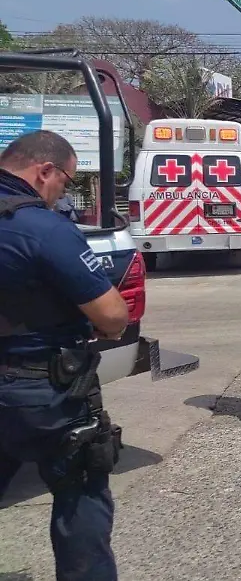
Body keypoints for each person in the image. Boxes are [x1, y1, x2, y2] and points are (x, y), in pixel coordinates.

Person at [0, 131, 130, 581]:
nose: (61, 194)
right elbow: (113, 316)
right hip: (41, 393)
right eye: (66, 182)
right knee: (81, 498)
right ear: (44, 171)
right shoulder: (42, 228)